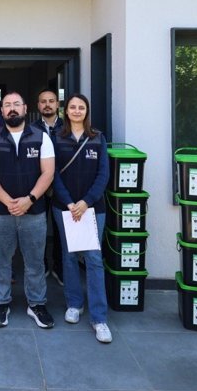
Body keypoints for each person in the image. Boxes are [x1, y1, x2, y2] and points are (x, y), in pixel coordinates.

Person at [0, 91, 55, 328]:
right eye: (8, 105)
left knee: (35, 262)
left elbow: (48, 172)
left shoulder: (41, 137)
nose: (12, 109)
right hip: (1, 212)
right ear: (2, 111)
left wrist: (29, 199)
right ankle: (1, 303)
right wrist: (8, 201)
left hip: (34, 212)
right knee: (0, 260)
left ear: (25, 109)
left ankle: (37, 304)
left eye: (16, 105)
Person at [51, 93, 112, 343]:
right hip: (64, 207)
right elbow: (52, 173)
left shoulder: (97, 137)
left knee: (94, 260)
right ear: (66, 111)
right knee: (69, 257)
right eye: (72, 107)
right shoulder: (56, 138)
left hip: (93, 209)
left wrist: (86, 202)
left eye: (81, 107)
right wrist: (69, 202)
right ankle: (74, 304)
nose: (77, 111)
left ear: (87, 111)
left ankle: (99, 318)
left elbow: (103, 174)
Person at [33, 90, 65, 286]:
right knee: (39, 230)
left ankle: (60, 267)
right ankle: (42, 264)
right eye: (43, 101)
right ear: (38, 105)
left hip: (63, 187)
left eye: (51, 101)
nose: (47, 105)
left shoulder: (68, 127)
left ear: (57, 104)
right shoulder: (31, 128)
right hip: (39, 187)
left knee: (62, 230)